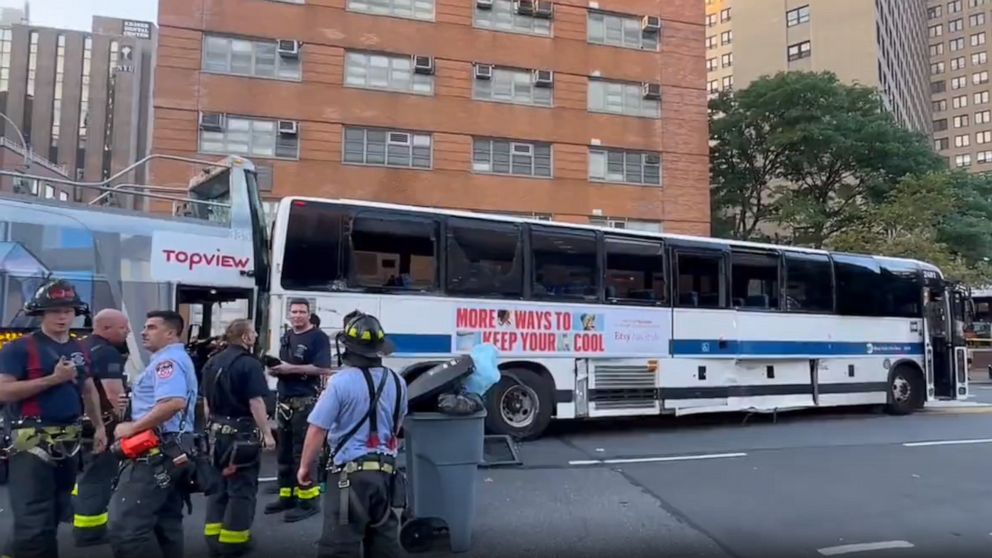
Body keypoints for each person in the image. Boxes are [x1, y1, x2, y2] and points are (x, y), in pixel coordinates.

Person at [0, 279, 107, 558]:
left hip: (69, 441)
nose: (62, 316)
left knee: (56, 511)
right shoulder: (19, 349)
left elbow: (88, 388)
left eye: (68, 310)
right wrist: (53, 379)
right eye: (54, 310)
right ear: (41, 314)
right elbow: (3, 392)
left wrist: (98, 427)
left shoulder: (80, 348)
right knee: (33, 515)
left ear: (75, 313)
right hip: (30, 441)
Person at [299, 311, 407, 558]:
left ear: (348, 348)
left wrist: (305, 467)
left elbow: (317, 430)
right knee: (384, 544)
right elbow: (397, 429)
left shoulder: (339, 382)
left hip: (349, 478)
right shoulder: (398, 381)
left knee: (340, 546)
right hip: (385, 475)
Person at [107, 310, 198, 558]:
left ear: (171, 333)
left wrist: (132, 428)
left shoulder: (167, 362)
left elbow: (173, 403)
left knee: (126, 527)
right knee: (165, 523)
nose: (143, 332)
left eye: (151, 327)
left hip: (156, 450)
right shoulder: (171, 359)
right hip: (173, 448)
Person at [201, 319, 276, 557]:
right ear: (245, 337)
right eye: (253, 332)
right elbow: (256, 402)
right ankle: (234, 542)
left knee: (219, 486)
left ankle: (213, 536)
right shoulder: (249, 364)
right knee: (241, 489)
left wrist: (210, 427)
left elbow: (206, 402)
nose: (255, 336)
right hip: (240, 436)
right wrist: (266, 434)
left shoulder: (212, 361)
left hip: (215, 434)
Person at [265, 298, 333, 523]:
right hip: (284, 400)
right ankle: (287, 496)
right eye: (293, 311)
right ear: (288, 314)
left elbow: (323, 367)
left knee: (302, 454)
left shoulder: (318, 337)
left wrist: (289, 369)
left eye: (302, 312)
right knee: (284, 454)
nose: (297, 315)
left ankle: (308, 502)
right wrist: (277, 371)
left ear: (308, 314)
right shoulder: (288, 335)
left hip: (304, 403)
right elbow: (286, 365)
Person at [73, 308, 131, 547]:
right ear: (106, 328)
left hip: (74, 422)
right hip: (100, 425)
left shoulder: (80, 346)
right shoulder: (107, 353)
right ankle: (90, 531)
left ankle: (78, 518)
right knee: (98, 476)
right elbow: (114, 394)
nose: (128, 331)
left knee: (84, 474)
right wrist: (123, 424)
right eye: (123, 327)